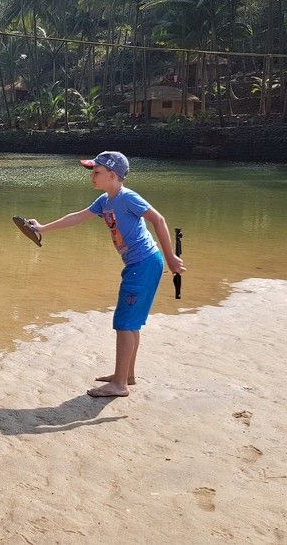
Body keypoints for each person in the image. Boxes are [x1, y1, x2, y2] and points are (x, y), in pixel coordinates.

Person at [26, 151, 184, 397]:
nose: (92, 176)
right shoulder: (104, 201)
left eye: (97, 172)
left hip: (144, 264)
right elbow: (77, 217)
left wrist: (171, 257)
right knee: (131, 323)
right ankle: (127, 375)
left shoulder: (127, 197)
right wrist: (43, 228)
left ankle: (119, 384)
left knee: (124, 323)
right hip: (139, 264)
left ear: (112, 175)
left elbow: (159, 220)